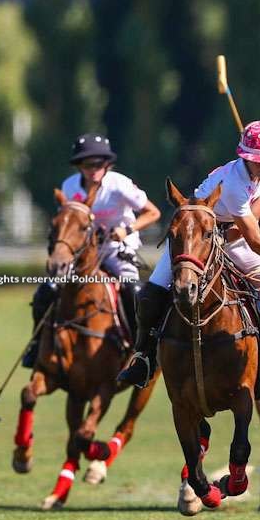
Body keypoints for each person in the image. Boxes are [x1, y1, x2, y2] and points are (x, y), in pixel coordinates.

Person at [118, 121, 260, 404]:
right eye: (258, 160)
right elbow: (255, 239)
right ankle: (143, 359)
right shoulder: (233, 184)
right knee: (151, 294)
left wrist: (242, 224)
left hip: (232, 234)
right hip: (196, 236)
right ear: (245, 157)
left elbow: (256, 210)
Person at [22, 133, 161, 367]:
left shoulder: (119, 184)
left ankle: (141, 351)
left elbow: (153, 212)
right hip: (83, 253)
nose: (94, 169)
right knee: (46, 292)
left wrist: (126, 229)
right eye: (88, 164)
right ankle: (36, 346)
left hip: (117, 248)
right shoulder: (69, 187)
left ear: (107, 164)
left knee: (133, 292)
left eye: (99, 163)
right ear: (79, 166)